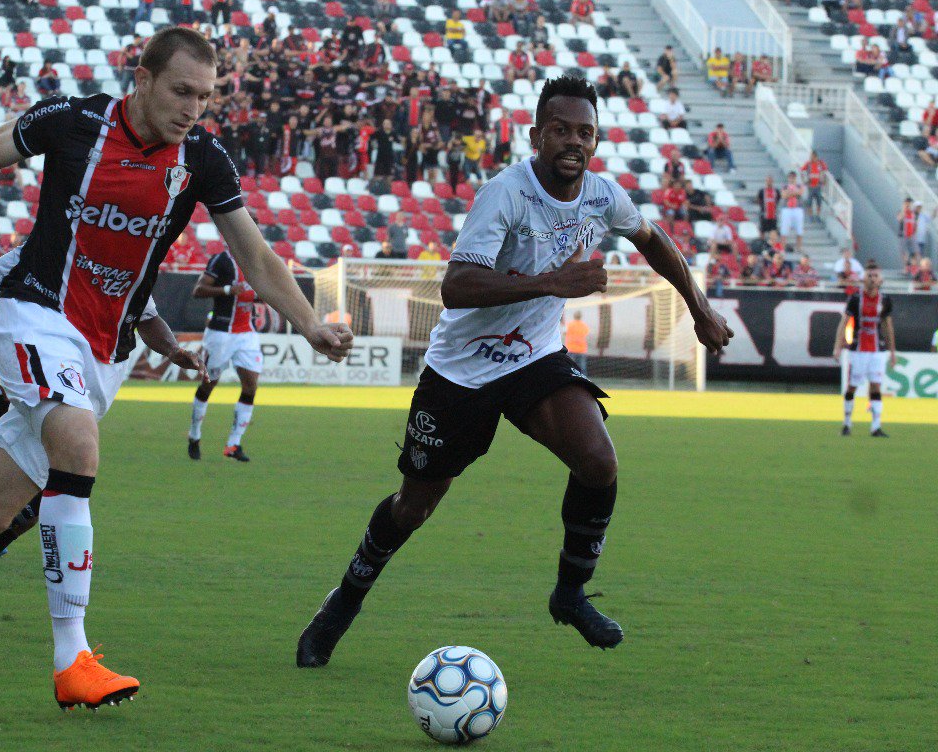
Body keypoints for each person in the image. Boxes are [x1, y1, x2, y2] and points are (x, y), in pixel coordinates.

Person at [0, 27, 354, 710]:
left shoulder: (202, 158)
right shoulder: (72, 121)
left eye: (206, 96)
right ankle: (72, 656)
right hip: (35, 315)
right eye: (182, 90)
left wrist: (309, 323)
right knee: (78, 445)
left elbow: (254, 257)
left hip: (106, 351)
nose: (194, 107)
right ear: (142, 78)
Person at [295, 76, 732, 667]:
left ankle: (570, 593)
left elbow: (654, 242)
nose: (573, 142)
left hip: (534, 361)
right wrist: (556, 281)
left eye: (585, 132)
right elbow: (456, 287)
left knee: (599, 461)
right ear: (536, 135)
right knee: (414, 506)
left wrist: (699, 308)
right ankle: (342, 604)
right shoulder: (504, 194)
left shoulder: (604, 197)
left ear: (596, 140)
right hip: (460, 374)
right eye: (560, 130)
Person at [0, 245, 206, 629]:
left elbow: (147, 316)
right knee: (18, 505)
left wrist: (173, 351)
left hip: (58, 389)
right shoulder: (57, 239)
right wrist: (5, 364)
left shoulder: (126, 258)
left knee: (12, 506)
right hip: (25, 381)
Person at [187, 249, 264, 462]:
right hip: (221, 333)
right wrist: (229, 289)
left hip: (246, 333)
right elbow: (198, 290)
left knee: (251, 386)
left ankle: (233, 444)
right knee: (209, 383)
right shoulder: (222, 260)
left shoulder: (258, 258)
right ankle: (194, 434)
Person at [833, 263, 894, 437]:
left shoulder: (885, 300)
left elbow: (888, 326)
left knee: (876, 386)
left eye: (875, 276)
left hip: (877, 350)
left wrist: (892, 351)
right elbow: (843, 322)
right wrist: (837, 346)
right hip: (858, 349)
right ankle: (846, 423)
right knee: (852, 386)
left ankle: (876, 426)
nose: (872, 279)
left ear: (880, 279)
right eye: (869, 275)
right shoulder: (855, 298)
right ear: (863, 278)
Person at [779, 172, 804, 253]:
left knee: (799, 229)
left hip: (797, 208)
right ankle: (782, 248)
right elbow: (783, 195)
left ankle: (798, 247)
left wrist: (790, 193)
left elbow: (800, 192)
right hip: (787, 209)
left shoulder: (799, 185)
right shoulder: (785, 186)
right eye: (790, 177)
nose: (792, 178)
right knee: (784, 229)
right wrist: (794, 193)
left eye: (793, 177)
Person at [801, 151, 828, 217]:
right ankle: (810, 213)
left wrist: (824, 180)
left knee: (819, 199)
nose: (811, 158)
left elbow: (825, 171)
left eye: (812, 157)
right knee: (809, 199)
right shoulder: (808, 164)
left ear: (816, 157)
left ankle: (818, 213)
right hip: (810, 185)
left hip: (818, 185)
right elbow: (802, 170)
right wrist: (804, 180)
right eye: (810, 157)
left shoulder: (820, 163)